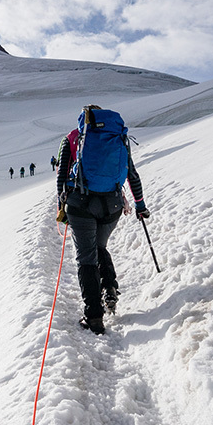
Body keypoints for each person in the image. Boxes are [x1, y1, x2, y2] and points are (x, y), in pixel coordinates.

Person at [55, 106, 149, 334]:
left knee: (86, 256)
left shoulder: (72, 138)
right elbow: (131, 174)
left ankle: (94, 316)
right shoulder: (118, 138)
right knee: (99, 246)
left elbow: (61, 174)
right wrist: (140, 205)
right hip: (113, 205)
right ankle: (109, 289)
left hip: (82, 204)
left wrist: (62, 207)